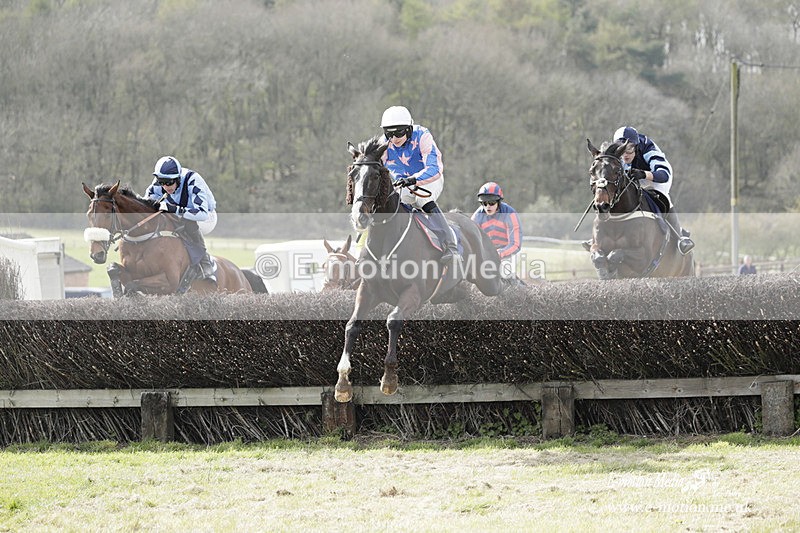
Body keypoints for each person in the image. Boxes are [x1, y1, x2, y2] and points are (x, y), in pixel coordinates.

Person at [379, 105, 458, 264]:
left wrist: (412, 179)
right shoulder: (383, 143)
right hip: (402, 184)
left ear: (409, 128)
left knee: (422, 201)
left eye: (399, 132)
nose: (394, 138)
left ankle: (450, 244)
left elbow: (435, 168)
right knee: (391, 205)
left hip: (429, 179)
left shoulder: (422, 135)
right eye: (389, 133)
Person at [614, 126, 695, 255]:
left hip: (655, 174)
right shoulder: (616, 154)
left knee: (660, 196)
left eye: (629, 149)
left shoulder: (647, 147)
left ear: (636, 146)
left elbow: (663, 175)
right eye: (622, 150)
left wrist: (644, 174)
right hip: (635, 173)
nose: (625, 154)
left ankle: (680, 237)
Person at [144, 156, 218, 283]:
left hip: (206, 218)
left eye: (170, 182)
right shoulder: (157, 183)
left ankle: (205, 261)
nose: (166, 186)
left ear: (178, 178)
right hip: (181, 215)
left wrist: (174, 209)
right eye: (162, 182)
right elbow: (145, 205)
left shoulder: (193, 180)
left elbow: (202, 213)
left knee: (187, 222)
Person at [471, 182, 523, 279]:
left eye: (491, 203)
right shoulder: (477, 216)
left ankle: (517, 290)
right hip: (488, 253)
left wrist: (500, 253)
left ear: (498, 202)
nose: (487, 207)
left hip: (509, 252)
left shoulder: (510, 214)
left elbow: (515, 244)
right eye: (484, 203)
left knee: (504, 274)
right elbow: (472, 240)